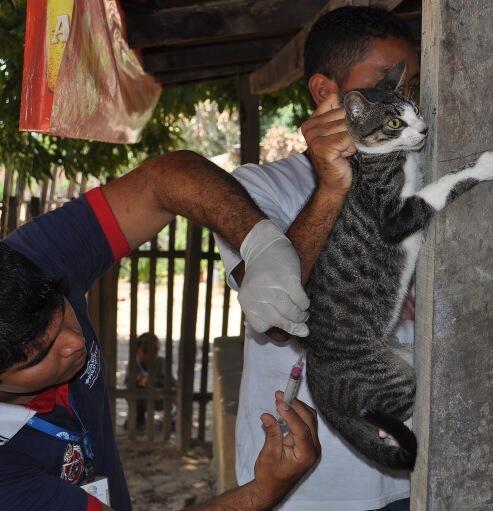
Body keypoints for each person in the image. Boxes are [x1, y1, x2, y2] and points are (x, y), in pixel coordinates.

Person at [0, 150, 320, 510]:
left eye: (63, 308)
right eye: (42, 353)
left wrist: (261, 242)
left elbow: (162, 180)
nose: (76, 342)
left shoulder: (32, 261)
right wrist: (264, 493)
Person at [215, 7, 419, 511]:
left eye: (412, 85)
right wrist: (332, 187)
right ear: (326, 93)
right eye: (389, 82)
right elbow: (280, 320)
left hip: (409, 474)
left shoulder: (409, 180)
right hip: (306, 488)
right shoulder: (255, 190)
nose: (405, 99)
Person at [123, 332, 176, 431]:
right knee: (132, 424)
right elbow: (127, 383)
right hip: (141, 399)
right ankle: (138, 418)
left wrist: (157, 380)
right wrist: (138, 381)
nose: (150, 354)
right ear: (138, 350)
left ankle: (171, 420)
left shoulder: (162, 363)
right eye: (145, 351)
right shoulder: (133, 364)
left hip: (161, 398)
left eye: (154, 351)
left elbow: (173, 384)